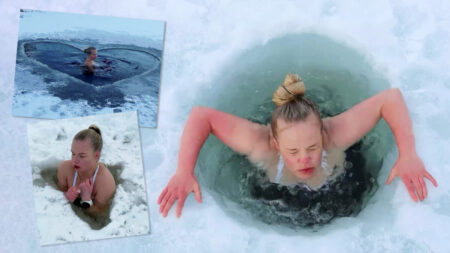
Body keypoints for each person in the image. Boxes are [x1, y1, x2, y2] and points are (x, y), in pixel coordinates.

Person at [157, 73, 438, 218]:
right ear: (276, 142)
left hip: (341, 187)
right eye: (292, 151)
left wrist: (408, 153)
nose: (305, 159)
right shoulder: (259, 143)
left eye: (313, 147)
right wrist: (184, 170)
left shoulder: (336, 133)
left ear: (323, 131)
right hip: (276, 195)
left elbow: (390, 98)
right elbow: (201, 116)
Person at [57, 125, 116, 217]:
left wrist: (86, 200)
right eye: (73, 154)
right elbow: (56, 195)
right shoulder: (65, 169)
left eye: (81, 156)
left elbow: (100, 215)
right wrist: (65, 196)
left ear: (96, 156)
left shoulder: (105, 182)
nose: (75, 160)